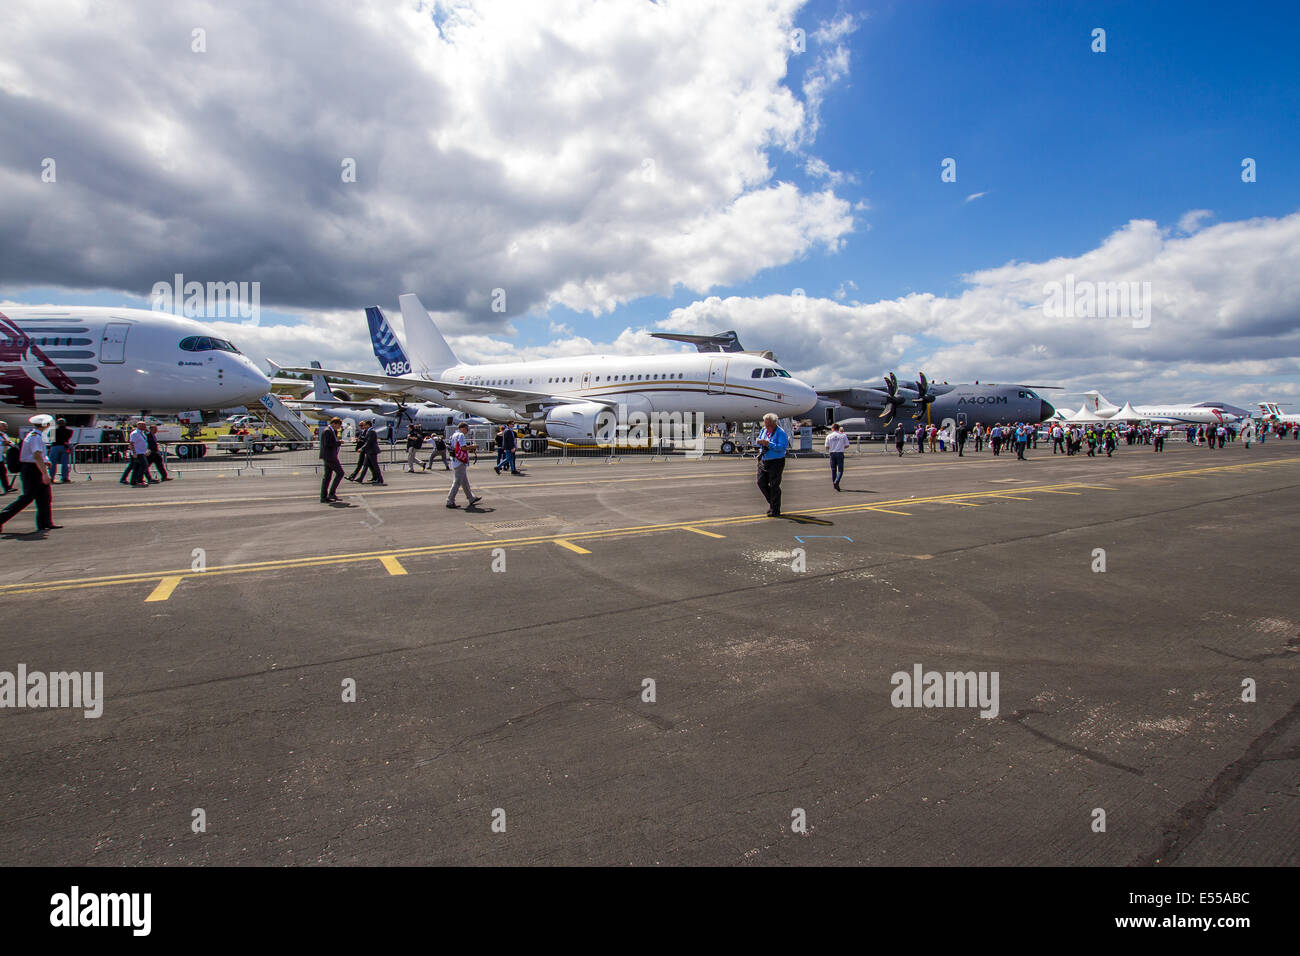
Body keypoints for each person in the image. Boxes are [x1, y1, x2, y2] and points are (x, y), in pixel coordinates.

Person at [0, 415, 61, 532]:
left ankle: (45, 522)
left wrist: (46, 460)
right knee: (27, 498)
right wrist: (45, 474)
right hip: (33, 470)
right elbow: (36, 456)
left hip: (35, 467)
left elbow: (39, 455)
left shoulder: (36, 436)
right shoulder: (35, 437)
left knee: (44, 497)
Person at [755, 412, 789, 517]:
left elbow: (783, 448)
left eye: (768, 425)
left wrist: (769, 444)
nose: (766, 427)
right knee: (761, 482)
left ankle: (775, 509)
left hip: (776, 461)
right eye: (765, 424)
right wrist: (759, 441)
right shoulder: (763, 430)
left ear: (774, 424)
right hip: (764, 460)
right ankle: (772, 503)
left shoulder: (781, 432)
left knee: (774, 485)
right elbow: (758, 439)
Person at [445, 421, 481, 508]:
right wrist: (473, 447)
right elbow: (463, 448)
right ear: (463, 428)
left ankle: (471, 498)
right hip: (460, 461)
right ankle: (450, 501)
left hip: (455, 460)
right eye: (466, 429)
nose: (467, 431)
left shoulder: (453, 435)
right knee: (457, 482)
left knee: (464, 481)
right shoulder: (460, 435)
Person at [319, 416, 345, 502]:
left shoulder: (330, 430)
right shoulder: (328, 431)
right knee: (340, 473)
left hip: (328, 456)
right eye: (338, 425)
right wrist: (338, 442)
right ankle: (331, 493)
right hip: (330, 456)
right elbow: (328, 444)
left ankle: (324, 496)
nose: (339, 427)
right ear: (334, 424)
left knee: (327, 476)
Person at [125, 421, 150, 486]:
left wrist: (146, 450)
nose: (145, 427)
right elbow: (131, 443)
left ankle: (133, 481)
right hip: (138, 453)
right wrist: (133, 452)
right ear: (139, 426)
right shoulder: (135, 433)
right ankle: (139, 480)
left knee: (137, 467)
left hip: (142, 452)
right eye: (143, 425)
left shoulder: (142, 433)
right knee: (144, 466)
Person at [48, 417, 73, 482]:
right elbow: (69, 437)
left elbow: (50, 439)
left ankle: (51, 477)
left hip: (55, 446)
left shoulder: (53, 431)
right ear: (65, 423)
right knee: (65, 463)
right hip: (64, 446)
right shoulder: (69, 431)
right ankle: (65, 477)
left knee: (53, 463)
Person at [824, 422, 848, 490]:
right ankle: (836, 481)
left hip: (832, 453)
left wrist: (833, 447)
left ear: (832, 429)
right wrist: (841, 447)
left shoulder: (829, 436)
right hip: (840, 453)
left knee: (833, 470)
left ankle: (834, 483)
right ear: (838, 428)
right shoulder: (843, 435)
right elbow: (847, 445)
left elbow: (827, 446)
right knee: (840, 470)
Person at [0, 423, 14, 494]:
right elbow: (3, 443)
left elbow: (11, 443)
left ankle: (7, 488)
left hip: (1, 457)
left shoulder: (4, 435)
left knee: (3, 472)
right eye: (4, 426)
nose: (6, 427)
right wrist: (2, 443)